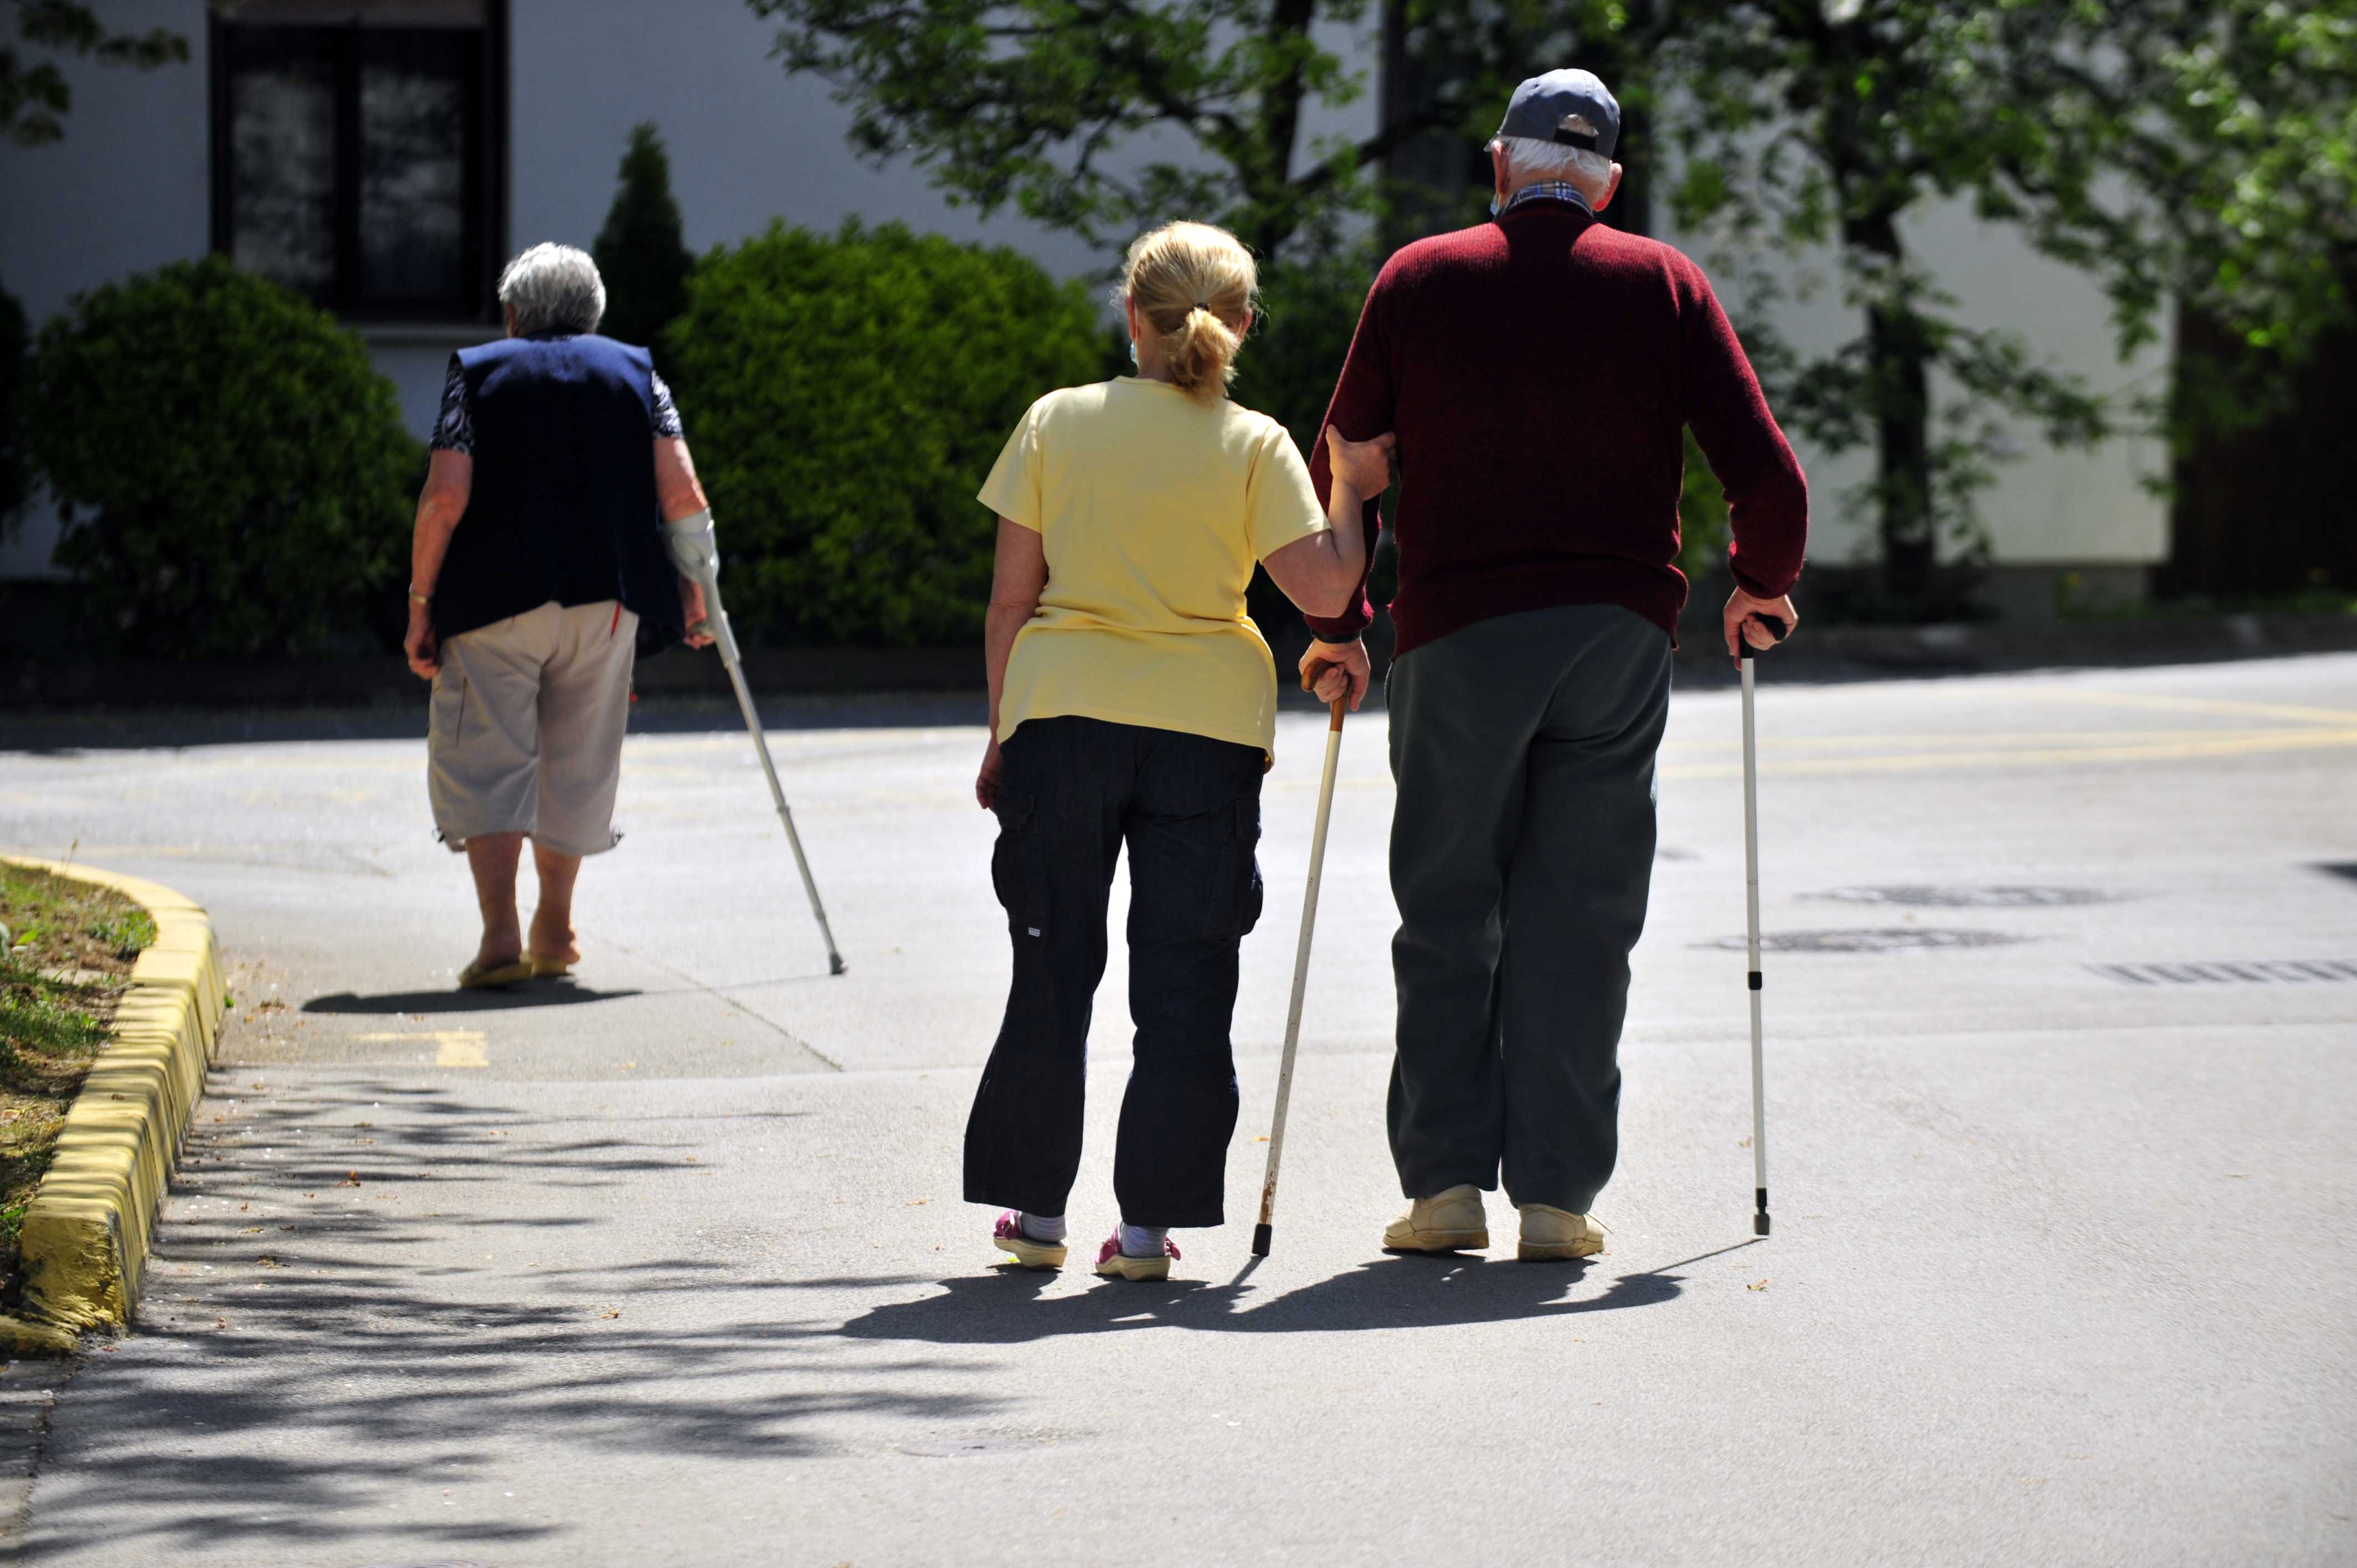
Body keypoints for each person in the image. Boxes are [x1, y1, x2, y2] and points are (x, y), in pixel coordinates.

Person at [1298, 70, 1809, 1260]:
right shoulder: (1664, 284)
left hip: (1457, 636)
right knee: (1580, 918)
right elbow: (1768, 478)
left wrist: (1341, 622)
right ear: (1608, 186)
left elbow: (1351, 460)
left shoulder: (1418, 278)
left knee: (1445, 909)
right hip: (1613, 639)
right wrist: (1761, 585)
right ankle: (1557, 1203)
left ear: (1499, 167)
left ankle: (1441, 1192)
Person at [966, 220, 1394, 1281]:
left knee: (1050, 961)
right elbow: (1328, 590)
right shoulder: (1255, 443)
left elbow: (1012, 602)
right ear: (1242, 326)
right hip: (1208, 731)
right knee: (1187, 978)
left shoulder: (1055, 422)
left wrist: (1002, 735)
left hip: (1063, 716)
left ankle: (1037, 1218)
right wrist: (1351, 483)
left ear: (1129, 316)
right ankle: (1149, 1232)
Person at [403, 243, 716, 990]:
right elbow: (683, 496)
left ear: (513, 313)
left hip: (492, 601)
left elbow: (445, 496)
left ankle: (501, 938)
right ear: (593, 312)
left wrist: (420, 603)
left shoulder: (477, 372)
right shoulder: (637, 374)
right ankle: (557, 927)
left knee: (487, 758)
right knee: (578, 759)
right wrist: (698, 592)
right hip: (606, 601)